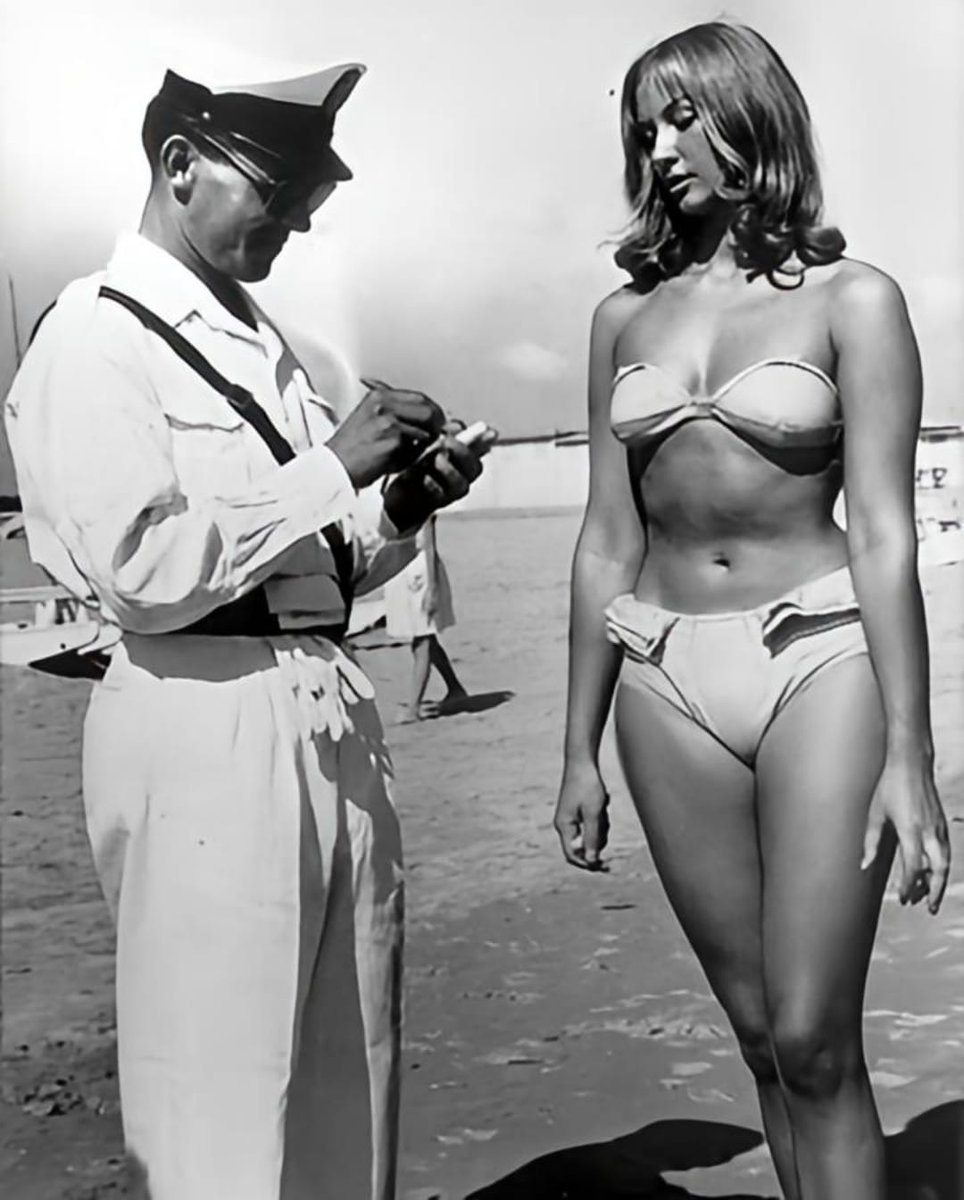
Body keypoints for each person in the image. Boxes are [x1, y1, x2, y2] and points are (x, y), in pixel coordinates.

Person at [5, 61, 492, 1200]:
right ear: (180, 166)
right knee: (218, 1087)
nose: (297, 223)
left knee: (349, 1060)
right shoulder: (93, 333)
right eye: (277, 191)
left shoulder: (263, 341)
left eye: (308, 205)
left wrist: (404, 498)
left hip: (325, 710)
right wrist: (333, 463)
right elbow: (143, 571)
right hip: (198, 721)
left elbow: (314, 571)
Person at [553, 22, 950, 1200]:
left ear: (749, 115)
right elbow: (604, 538)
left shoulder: (855, 300)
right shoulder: (622, 319)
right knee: (764, 1041)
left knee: (819, 1036)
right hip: (664, 681)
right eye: (643, 125)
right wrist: (574, 747)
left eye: (682, 117)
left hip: (820, 664)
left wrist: (913, 756)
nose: (659, 146)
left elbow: (883, 529)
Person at [383, 513, 468, 723]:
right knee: (425, 637)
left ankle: (413, 707)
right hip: (402, 571)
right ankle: (455, 688)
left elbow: (429, 547)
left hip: (421, 575)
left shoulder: (423, 505)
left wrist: (433, 588)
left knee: (422, 641)